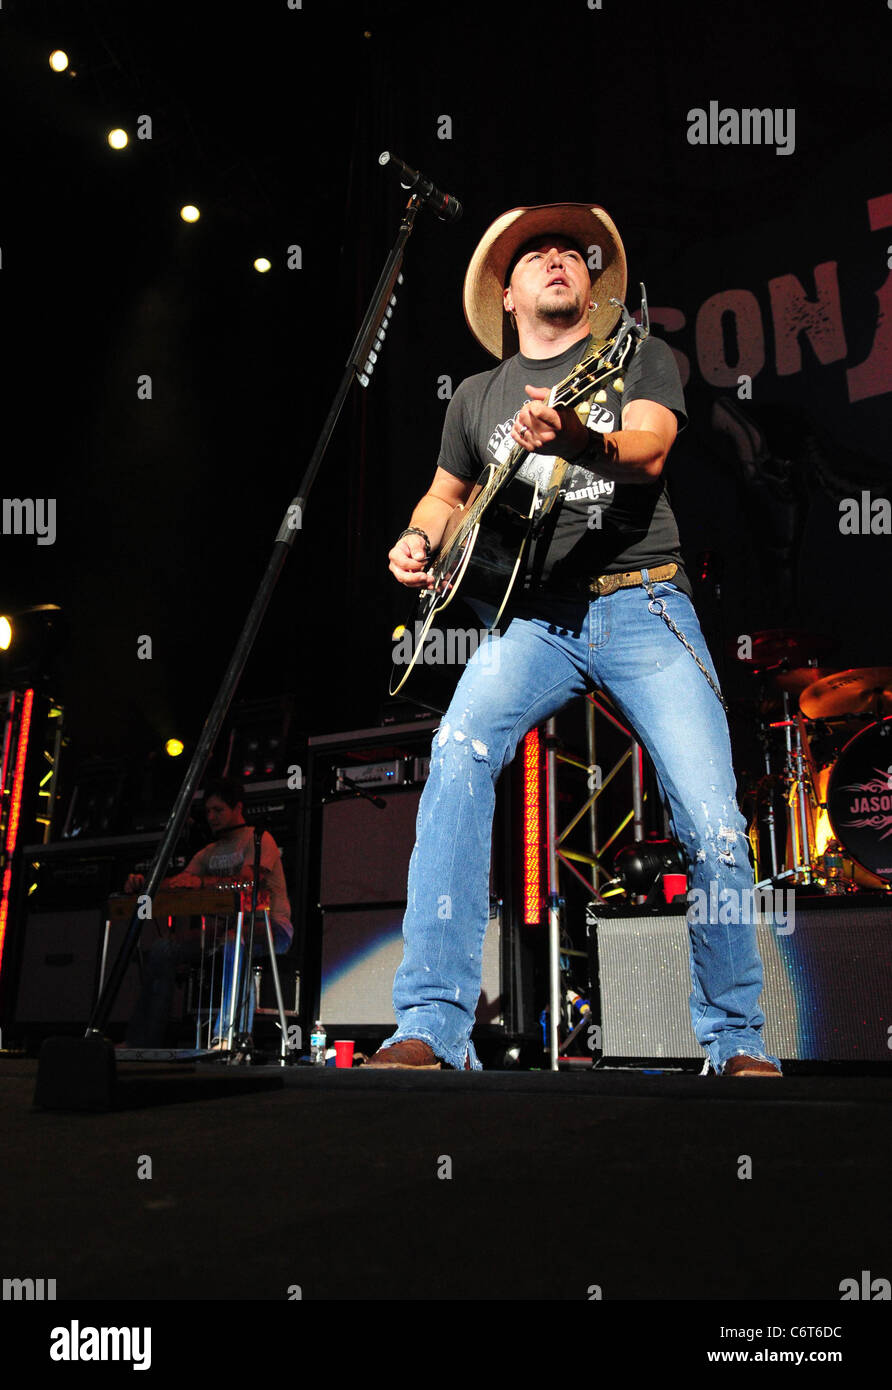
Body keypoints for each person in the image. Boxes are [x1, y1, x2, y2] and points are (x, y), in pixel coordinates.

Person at [368, 201, 782, 1077]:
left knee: (710, 816)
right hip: (534, 621)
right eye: (535, 256)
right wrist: (419, 538)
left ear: (592, 290)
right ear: (508, 294)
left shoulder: (639, 357)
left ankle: (735, 1040)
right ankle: (431, 1025)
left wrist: (576, 437)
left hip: (645, 605)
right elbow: (444, 497)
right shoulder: (477, 396)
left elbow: (652, 451)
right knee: (456, 752)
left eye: (570, 253)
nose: (557, 259)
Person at [124, 777, 292, 1049]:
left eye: (218, 810)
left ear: (237, 808)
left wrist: (202, 882)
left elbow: (248, 882)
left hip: (272, 928)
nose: (211, 817)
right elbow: (180, 882)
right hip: (224, 930)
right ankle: (143, 1042)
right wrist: (144, 884)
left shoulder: (259, 839)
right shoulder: (207, 852)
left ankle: (228, 1038)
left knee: (231, 940)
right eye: (208, 812)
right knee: (162, 948)